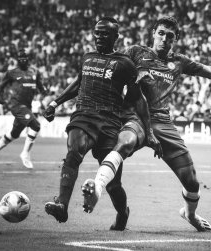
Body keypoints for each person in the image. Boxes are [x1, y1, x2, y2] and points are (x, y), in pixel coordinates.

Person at [81, 16, 211, 232]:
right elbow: (108, 62)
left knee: (192, 182)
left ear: (176, 39)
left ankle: (189, 214)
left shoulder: (179, 62)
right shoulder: (135, 53)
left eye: (170, 36)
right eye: (161, 33)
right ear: (153, 33)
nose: (164, 39)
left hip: (162, 123)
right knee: (125, 142)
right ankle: (96, 187)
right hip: (134, 117)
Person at [43, 17, 161, 224]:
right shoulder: (87, 57)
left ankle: (123, 213)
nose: (99, 37)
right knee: (74, 151)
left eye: (105, 33)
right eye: (97, 33)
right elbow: (79, 83)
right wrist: (55, 103)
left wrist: (149, 133)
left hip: (109, 123)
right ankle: (62, 205)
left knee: (113, 185)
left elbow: (138, 99)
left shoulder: (125, 64)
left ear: (116, 36)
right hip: (84, 116)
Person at [0, 49, 47, 169]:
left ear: (28, 59)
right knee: (36, 126)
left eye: (25, 58)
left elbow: (39, 83)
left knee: (14, 134)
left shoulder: (34, 71)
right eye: (20, 58)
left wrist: (44, 90)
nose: (23, 60)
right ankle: (25, 153)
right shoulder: (12, 72)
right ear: (17, 60)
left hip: (27, 106)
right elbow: (1, 85)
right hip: (17, 105)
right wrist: (0, 97)